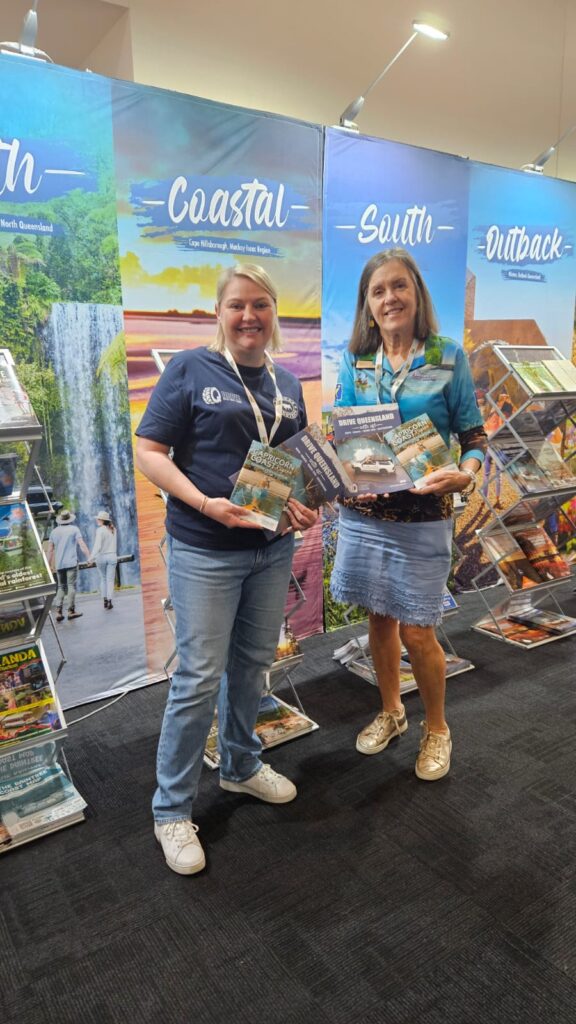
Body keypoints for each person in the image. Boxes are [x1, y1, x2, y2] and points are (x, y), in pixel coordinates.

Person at [135, 263, 318, 875]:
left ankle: (240, 766)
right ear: (220, 312)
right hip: (206, 551)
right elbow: (149, 451)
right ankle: (170, 810)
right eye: (238, 305)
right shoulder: (190, 369)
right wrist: (205, 503)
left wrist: (301, 503)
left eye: (261, 306)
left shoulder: (288, 384)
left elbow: (292, 466)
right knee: (197, 678)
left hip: (270, 550)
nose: (249, 317)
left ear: (274, 315)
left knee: (252, 665)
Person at [331, 248, 487, 781]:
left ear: (416, 293)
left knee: (419, 630)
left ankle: (437, 728)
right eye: (378, 291)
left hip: (423, 515)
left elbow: (473, 437)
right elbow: (343, 432)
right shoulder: (355, 358)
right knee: (379, 619)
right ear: (367, 304)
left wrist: (466, 472)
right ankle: (392, 712)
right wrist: (349, 471)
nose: (389, 298)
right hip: (367, 514)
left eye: (399, 286)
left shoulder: (447, 356)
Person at [47, 509, 90, 622]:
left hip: (59, 564)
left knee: (61, 587)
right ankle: (71, 611)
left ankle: (58, 612)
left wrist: (48, 564)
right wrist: (89, 556)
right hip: (71, 562)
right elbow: (82, 544)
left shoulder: (54, 532)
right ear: (69, 519)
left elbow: (50, 550)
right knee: (71, 586)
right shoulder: (74, 529)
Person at [90, 511, 118, 610]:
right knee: (110, 580)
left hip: (101, 557)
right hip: (112, 556)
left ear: (102, 520)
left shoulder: (100, 530)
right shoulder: (113, 529)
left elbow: (97, 546)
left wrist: (91, 558)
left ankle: (105, 600)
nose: (97, 520)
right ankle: (110, 601)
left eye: (98, 519)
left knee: (103, 578)